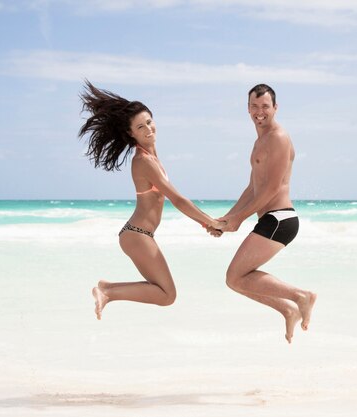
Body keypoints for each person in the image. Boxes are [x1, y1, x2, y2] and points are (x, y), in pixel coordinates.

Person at [79, 81, 225, 319]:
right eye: (140, 126)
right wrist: (211, 222)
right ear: (131, 133)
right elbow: (177, 199)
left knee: (167, 294)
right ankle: (107, 291)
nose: (148, 128)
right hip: (137, 235)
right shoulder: (143, 161)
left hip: (139, 234)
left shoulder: (151, 157)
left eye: (149, 121)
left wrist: (206, 224)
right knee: (167, 295)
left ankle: (108, 289)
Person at [210, 84, 316, 344]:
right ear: (248, 108)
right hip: (271, 220)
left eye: (265, 106)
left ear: (275, 108)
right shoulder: (260, 141)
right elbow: (252, 188)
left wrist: (239, 219)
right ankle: (288, 308)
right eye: (254, 106)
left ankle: (301, 297)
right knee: (235, 280)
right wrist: (226, 219)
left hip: (280, 218)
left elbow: (271, 188)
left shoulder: (278, 137)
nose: (260, 112)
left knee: (234, 277)